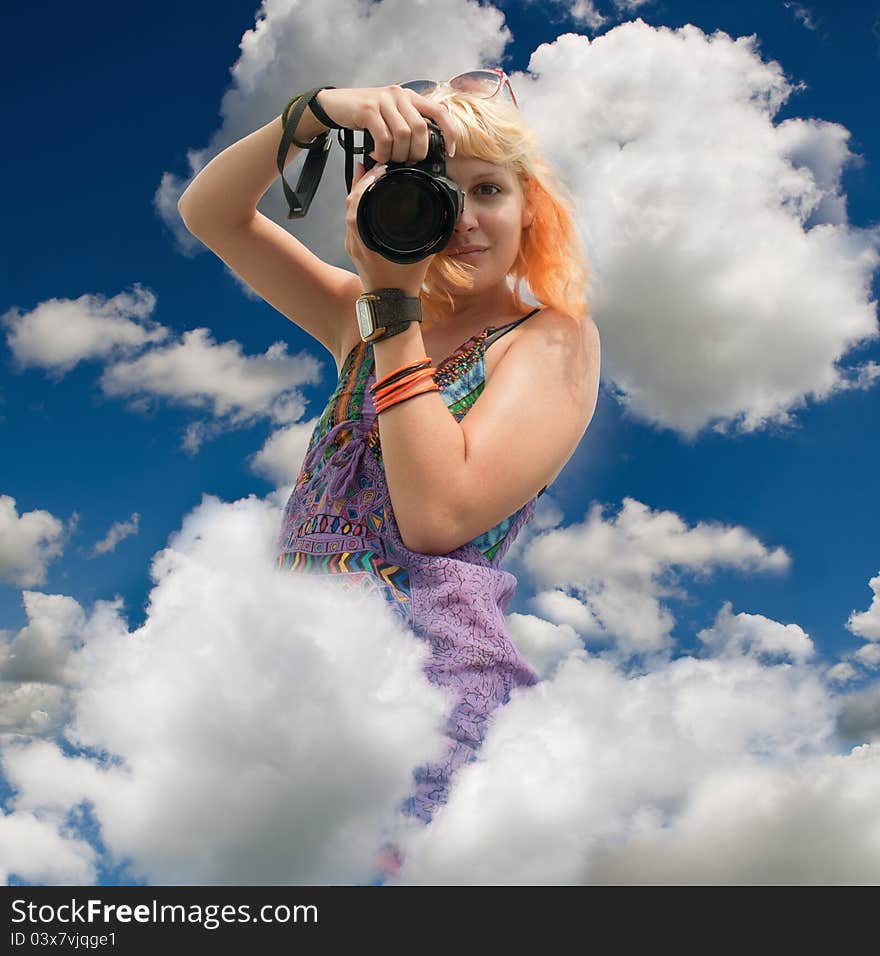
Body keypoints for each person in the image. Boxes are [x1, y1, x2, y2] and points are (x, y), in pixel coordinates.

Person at [177, 72, 600, 882]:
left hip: (430, 697)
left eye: (490, 189)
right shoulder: (358, 315)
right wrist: (316, 112)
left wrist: (393, 306)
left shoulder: (548, 337)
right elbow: (210, 215)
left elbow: (439, 516)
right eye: (437, 190)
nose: (467, 218)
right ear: (382, 202)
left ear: (530, 207)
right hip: (307, 692)